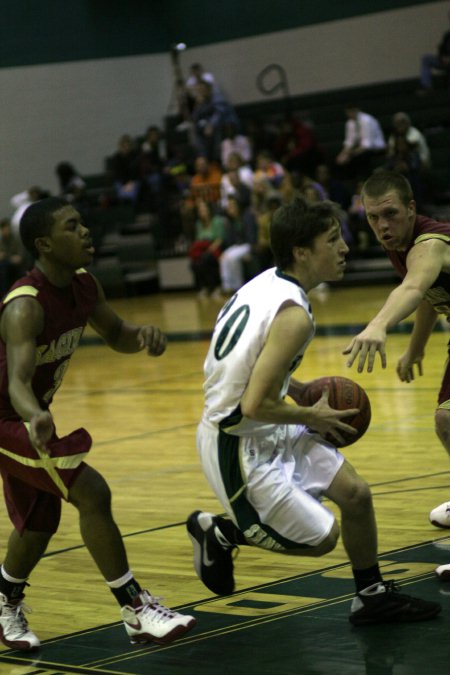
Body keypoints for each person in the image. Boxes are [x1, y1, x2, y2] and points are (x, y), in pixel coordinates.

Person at [186, 196, 440, 625]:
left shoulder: (265, 282)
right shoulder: (294, 316)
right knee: (323, 539)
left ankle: (372, 596)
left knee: (356, 495)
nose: (343, 247)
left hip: (264, 421)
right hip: (237, 444)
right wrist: (312, 415)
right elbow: (253, 403)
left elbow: (249, 369)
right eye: (332, 239)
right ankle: (222, 531)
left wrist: (299, 390)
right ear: (302, 252)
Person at [0, 197, 196, 651]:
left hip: (28, 416)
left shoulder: (85, 285)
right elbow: (17, 383)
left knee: (38, 525)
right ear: (45, 245)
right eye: (73, 226)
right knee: (92, 490)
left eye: (83, 223)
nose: (86, 231)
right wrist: (34, 415)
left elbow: (116, 334)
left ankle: (5, 601)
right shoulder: (24, 306)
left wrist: (141, 336)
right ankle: (136, 609)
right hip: (10, 415)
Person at [342, 169, 450, 580]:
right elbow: (426, 290)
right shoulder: (402, 243)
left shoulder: (429, 242)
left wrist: (379, 324)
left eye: (389, 213)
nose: (381, 225)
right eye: (372, 217)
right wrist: (417, 346)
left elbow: (411, 287)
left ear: (411, 208)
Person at [335, 105, 386, 180]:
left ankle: (364, 180)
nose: (349, 114)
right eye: (348, 112)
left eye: (351, 111)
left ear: (356, 110)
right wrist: (342, 155)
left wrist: (350, 155)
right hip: (361, 148)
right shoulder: (350, 123)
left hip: (376, 147)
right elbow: (349, 142)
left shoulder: (366, 120)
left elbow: (367, 145)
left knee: (358, 158)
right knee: (338, 160)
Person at [418, 11, 450, 92]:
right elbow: (441, 49)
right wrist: (443, 57)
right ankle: (427, 87)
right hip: (444, 61)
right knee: (426, 59)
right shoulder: (447, 35)